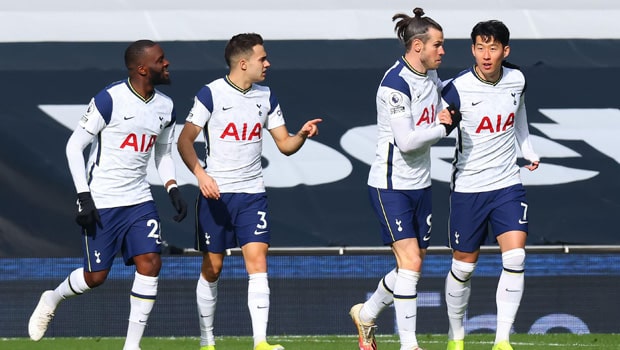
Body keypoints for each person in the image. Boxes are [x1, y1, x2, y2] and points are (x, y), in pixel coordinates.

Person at [28, 39, 188, 350]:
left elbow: (163, 153)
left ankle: (132, 346)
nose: (167, 63)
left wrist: (171, 186)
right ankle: (53, 296)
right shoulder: (110, 99)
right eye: (160, 60)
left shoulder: (166, 106)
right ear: (143, 68)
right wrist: (84, 197)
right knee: (96, 277)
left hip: (139, 201)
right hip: (103, 200)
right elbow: (74, 146)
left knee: (150, 262)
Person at [177, 33, 321, 350]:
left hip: (252, 194)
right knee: (212, 268)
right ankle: (207, 340)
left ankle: (260, 342)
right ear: (244, 63)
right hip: (216, 194)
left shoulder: (267, 96)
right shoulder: (211, 94)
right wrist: (201, 175)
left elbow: (284, 145)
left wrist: (303, 134)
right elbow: (184, 140)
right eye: (262, 58)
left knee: (257, 261)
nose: (267, 63)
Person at [349, 8, 456, 350]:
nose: (442, 51)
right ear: (417, 46)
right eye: (437, 45)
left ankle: (366, 314)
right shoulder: (395, 85)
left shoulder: (430, 78)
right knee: (410, 264)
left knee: (412, 266)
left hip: (420, 184)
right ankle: (409, 345)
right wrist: (444, 126)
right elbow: (407, 141)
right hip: (390, 184)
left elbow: (448, 93)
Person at [440, 20, 540, 350]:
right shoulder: (455, 88)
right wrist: (440, 122)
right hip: (468, 188)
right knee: (463, 267)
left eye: (493, 48)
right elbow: (434, 123)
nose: (486, 55)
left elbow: (519, 117)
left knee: (515, 258)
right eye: (480, 47)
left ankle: (502, 341)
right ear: (472, 49)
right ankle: (456, 338)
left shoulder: (518, 79)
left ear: (505, 51)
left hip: (507, 184)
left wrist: (527, 150)